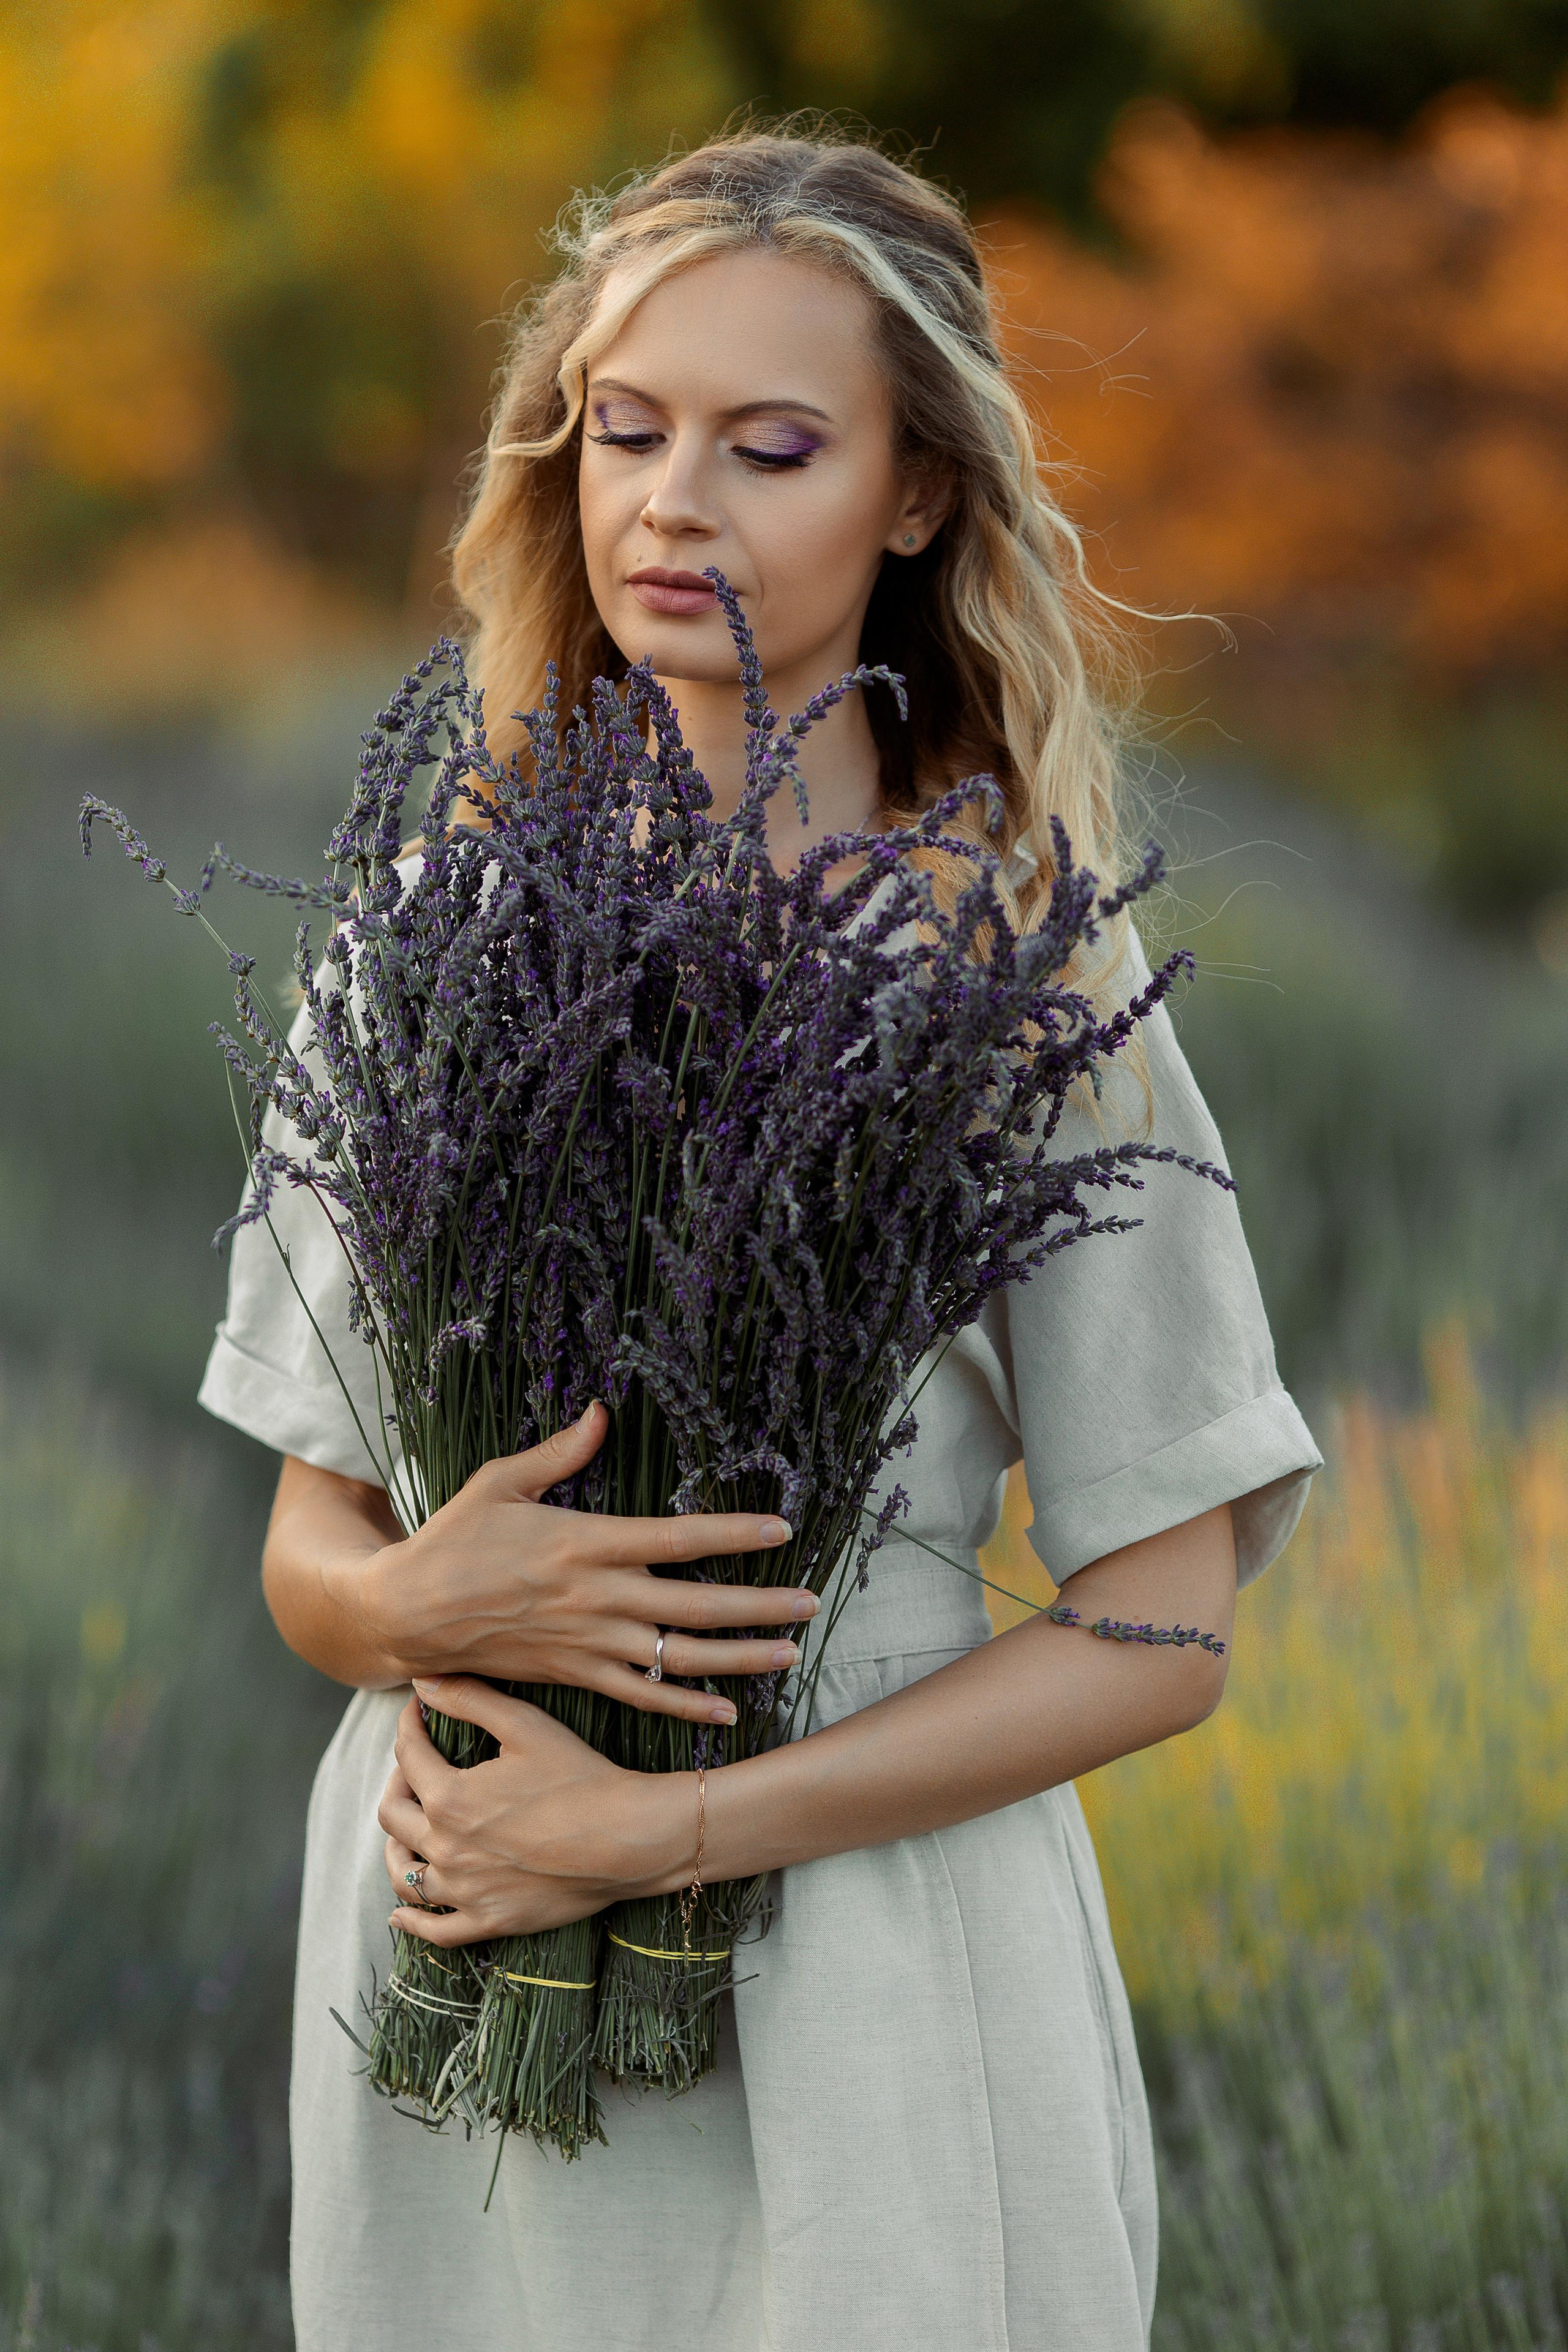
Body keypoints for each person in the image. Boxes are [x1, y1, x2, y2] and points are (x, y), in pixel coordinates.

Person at [200, 124, 1322, 2352]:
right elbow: (312, 1546)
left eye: (770, 446)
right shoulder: (430, 947)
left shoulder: (1018, 977)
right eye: (624, 431)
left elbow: (1167, 1623)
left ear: (916, 494)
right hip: (458, 1931)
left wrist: (666, 1837)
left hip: (870, 1985)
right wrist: (419, 1601)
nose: (670, 502)